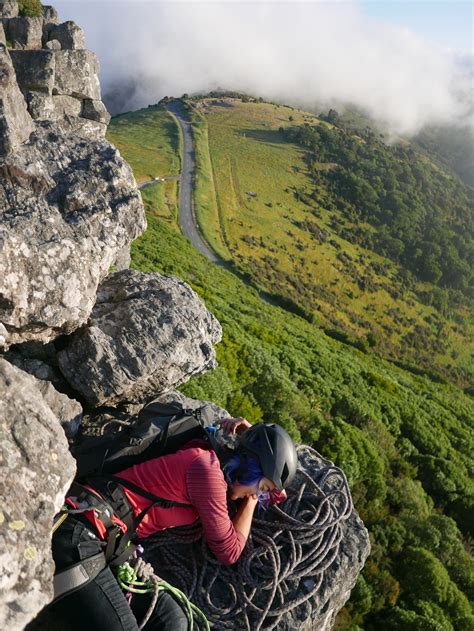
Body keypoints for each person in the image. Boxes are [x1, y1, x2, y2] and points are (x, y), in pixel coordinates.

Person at [47, 416, 298, 631]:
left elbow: (279, 494)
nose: (256, 495)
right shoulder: (206, 471)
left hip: (110, 542)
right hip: (79, 535)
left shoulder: (214, 462)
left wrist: (249, 434)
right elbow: (229, 550)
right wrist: (251, 502)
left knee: (172, 620)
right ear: (250, 467)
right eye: (260, 488)